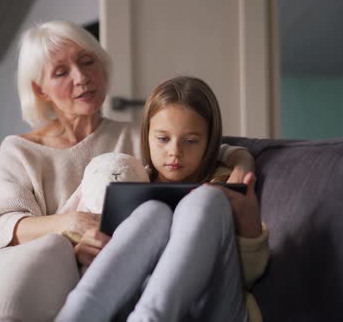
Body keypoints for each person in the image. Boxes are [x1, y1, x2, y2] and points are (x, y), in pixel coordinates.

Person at [0, 21, 257, 321]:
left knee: (155, 214)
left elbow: (202, 146)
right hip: (63, 269)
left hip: (131, 265)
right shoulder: (21, 149)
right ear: (40, 90)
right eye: (61, 72)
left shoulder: (136, 135)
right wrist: (70, 223)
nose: (82, 77)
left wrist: (243, 161)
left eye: (88, 62)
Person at [56, 76, 269, 322]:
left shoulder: (227, 185)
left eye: (190, 141)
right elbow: (86, 244)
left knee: (206, 199)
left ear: (210, 142)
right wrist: (83, 251)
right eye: (163, 139)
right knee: (152, 211)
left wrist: (249, 224)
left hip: (214, 308)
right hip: (132, 302)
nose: (175, 152)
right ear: (147, 136)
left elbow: (251, 274)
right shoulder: (131, 182)